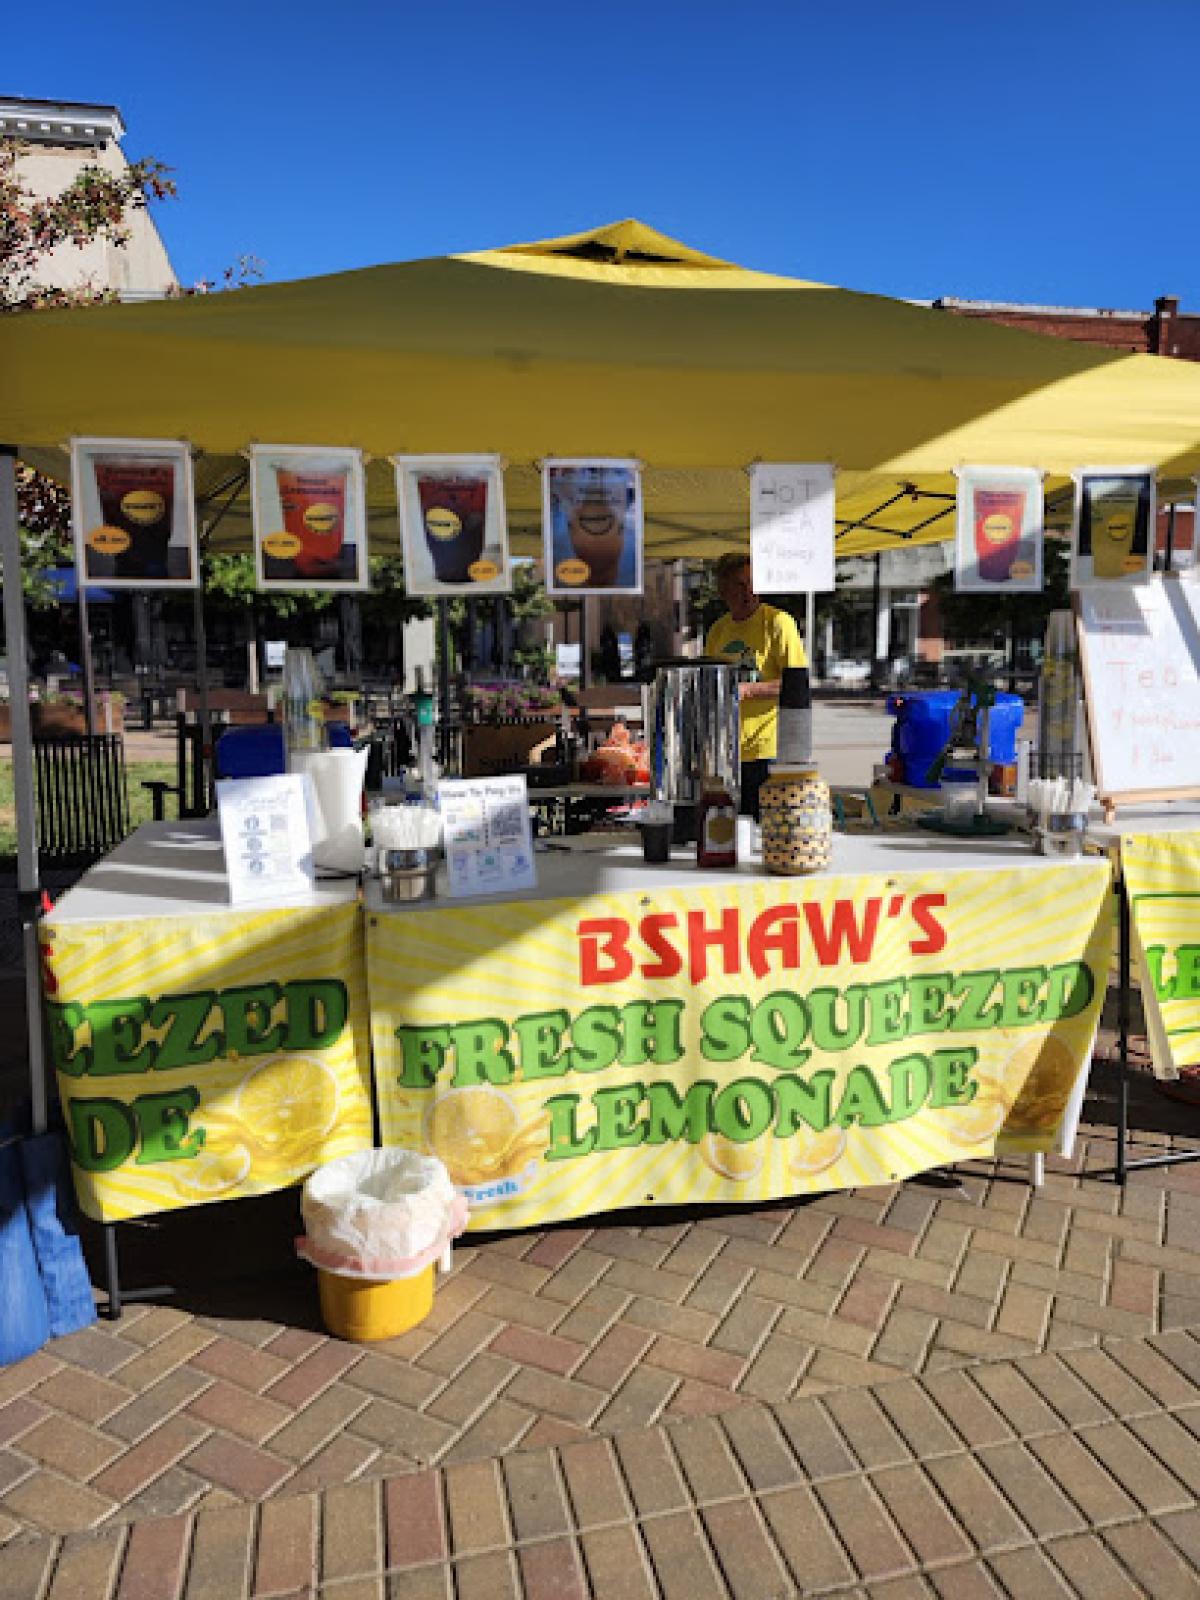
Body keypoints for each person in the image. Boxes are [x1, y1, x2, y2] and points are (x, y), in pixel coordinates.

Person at [705, 553, 807, 818]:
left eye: (753, 582)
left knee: (767, 829)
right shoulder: (718, 630)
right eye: (739, 584)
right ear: (723, 590)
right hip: (727, 751)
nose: (748, 591)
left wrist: (748, 690)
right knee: (729, 829)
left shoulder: (778, 622)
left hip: (767, 750)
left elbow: (798, 686)